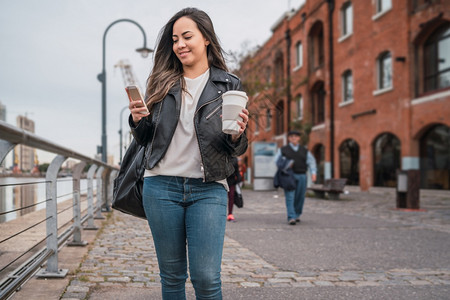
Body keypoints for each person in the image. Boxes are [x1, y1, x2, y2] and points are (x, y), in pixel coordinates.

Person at [128, 7, 249, 300]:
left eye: (187, 36)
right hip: (161, 187)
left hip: (209, 189)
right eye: (174, 39)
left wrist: (237, 134)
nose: (179, 44)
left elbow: (237, 147)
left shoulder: (228, 84)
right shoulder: (162, 82)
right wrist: (136, 121)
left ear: (205, 38)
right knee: (171, 278)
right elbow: (147, 140)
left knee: (207, 279)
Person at [275, 130, 317, 225]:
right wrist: (286, 165)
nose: (294, 138)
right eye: (291, 136)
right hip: (289, 176)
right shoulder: (283, 150)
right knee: (290, 197)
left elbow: (311, 162)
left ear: (298, 138)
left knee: (300, 196)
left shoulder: (304, 150)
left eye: (296, 136)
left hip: (302, 175)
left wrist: (313, 173)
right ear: (289, 138)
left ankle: (297, 214)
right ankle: (291, 217)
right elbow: (277, 161)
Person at [226, 157, 242, 222]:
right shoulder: (221, 156)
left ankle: (230, 214)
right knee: (222, 197)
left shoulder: (234, 159)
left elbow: (237, 171)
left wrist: (238, 179)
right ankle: (220, 214)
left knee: (231, 197)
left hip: (231, 181)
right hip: (222, 180)